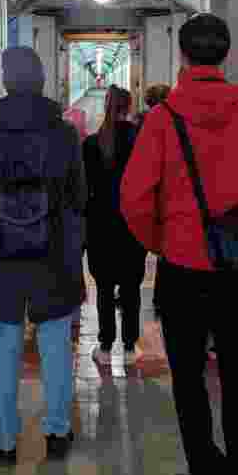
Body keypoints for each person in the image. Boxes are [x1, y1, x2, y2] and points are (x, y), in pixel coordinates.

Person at [121, 14, 238, 475]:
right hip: (237, 267)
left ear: (183, 55)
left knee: (189, 376)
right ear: (227, 55)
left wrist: (162, 241)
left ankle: (205, 472)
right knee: (237, 373)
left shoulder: (162, 118)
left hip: (183, 268)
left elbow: (133, 198)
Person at [0, 46, 85, 464]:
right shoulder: (64, 134)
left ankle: (4, 440)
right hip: (54, 253)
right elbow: (79, 196)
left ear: (6, 81)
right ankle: (57, 432)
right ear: (41, 80)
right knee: (56, 346)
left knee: (4, 348)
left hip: (0, 251)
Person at [84, 85, 146, 366]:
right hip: (133, 226)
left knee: (105, 290)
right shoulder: (141, 141)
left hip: (100, 227)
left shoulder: (91, 144)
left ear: (105, 107)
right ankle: (130, 347)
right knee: (131, 289)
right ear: (129, 107)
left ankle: (106, 346)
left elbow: (84, 190)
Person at [142, 83, 172, 317]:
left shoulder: (143, 124)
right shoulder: (172, 123)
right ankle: (163, 298)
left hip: (153, 197)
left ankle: (160, 298)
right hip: (170, 197)